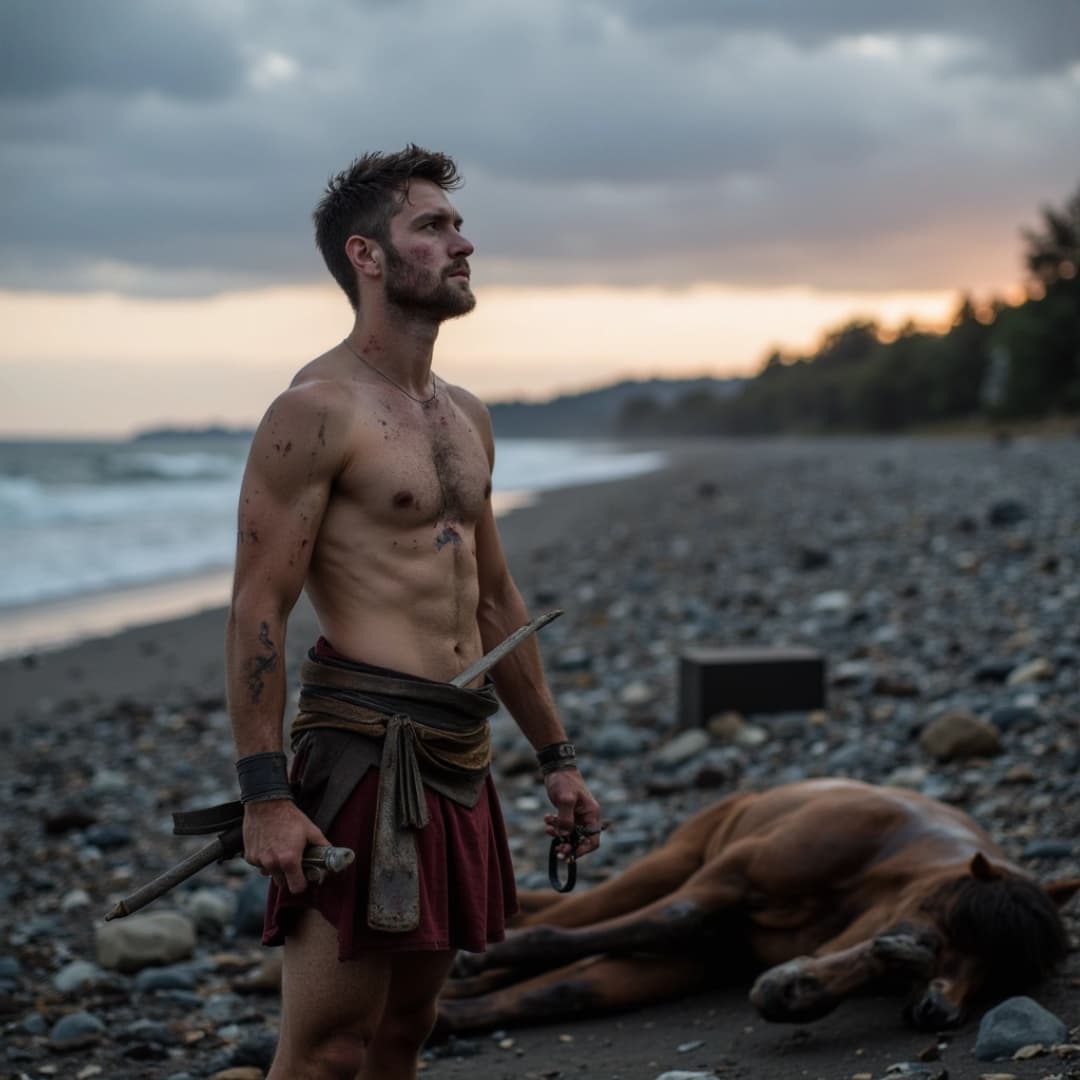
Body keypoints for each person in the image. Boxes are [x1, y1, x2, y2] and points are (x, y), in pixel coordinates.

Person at [225, 145, 602, 1080]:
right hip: (362, 754)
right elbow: (257, 606)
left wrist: (556, 760)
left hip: (458, 757)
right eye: (431, 227)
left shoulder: (464, 414)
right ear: (366, 255)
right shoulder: (314, 410)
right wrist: (268, 796)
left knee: (404, 1036)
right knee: (328, 1053)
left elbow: (494, 600)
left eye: (456, 225)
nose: (462, 244)